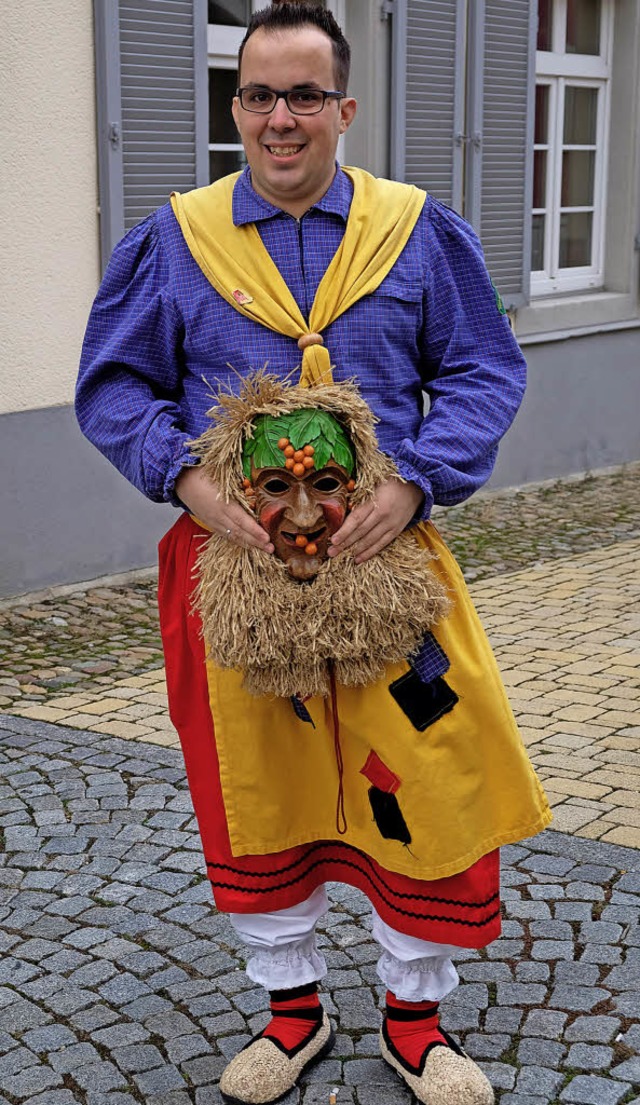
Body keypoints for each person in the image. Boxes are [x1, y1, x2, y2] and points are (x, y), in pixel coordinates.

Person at [77, 5, 550, 1104]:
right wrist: (190, 484)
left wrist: (418, 477)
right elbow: (113, 385)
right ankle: (291, 1012)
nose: (277, 119)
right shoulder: (173, 238)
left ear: (344, 107)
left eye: (301, 96)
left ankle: (415, 1023)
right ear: (234, 107)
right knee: (259, 783)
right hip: (234, 573)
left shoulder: (418, 231)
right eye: (256, 95)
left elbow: (484, 370)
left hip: (390, 568)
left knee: (424, 777)